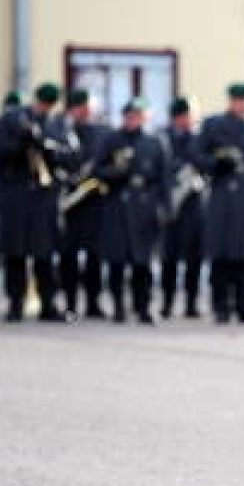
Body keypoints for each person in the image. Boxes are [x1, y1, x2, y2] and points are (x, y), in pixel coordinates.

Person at [193, 82, 244, 324]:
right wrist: (216, 163)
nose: (241, 105)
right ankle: (221, 305)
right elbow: (197, 155)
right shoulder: (213, 124)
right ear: (230, 101)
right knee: (220, 250)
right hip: (221, 192)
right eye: (237, 100)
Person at [0, 82, 67, 322]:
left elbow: (67, 155)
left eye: (50, 105)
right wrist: (24, 140)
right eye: (44, 103)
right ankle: (16, 303)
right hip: (15, 198)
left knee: (44, 254)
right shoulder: (5, 123)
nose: (46, 108)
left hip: (43, 199)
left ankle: (48, 303)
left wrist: (45, 145)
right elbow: (2, 153)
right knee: (16, 254)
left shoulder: (54, 124)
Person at [92, 98, 168, 325]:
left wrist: (165, 208)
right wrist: (117, 170)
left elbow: (164, 178)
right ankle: (118, 308)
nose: (133, 119)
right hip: (117, 206)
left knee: (143, 265)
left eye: (137, 115)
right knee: (117, 263)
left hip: (145, 208)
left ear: (146, 117)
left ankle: (144, 308)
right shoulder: (111, 139)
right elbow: (97, 170)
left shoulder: (155, 142)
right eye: (129, 116)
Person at [50, 88, 109, 320]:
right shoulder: (60, 130)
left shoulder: (101, 131)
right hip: (69, 202)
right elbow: (54, 158)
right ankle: (71, 303)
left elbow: (103, 160)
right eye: (80, 108)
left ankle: (93, 303)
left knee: (95, 256)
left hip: (94, 200)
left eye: (86, 108)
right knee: (68, 257)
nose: (84, 112)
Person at [159, 97, 207, 319]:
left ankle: (191, 303)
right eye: (186, 116)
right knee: (169, 257)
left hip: (194, 204)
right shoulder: (164, 137)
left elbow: (206, 162)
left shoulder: (200, 137)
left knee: (193, 257)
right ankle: (167, 302)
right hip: (171, 202)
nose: (189, 120)